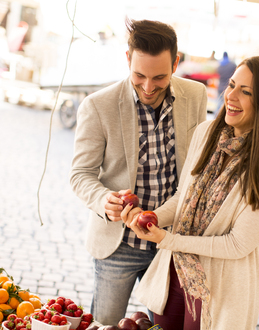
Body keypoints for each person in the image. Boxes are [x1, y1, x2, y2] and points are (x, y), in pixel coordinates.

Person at [121, 56, 259, 330]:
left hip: (220, 290)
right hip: (176, 275)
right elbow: (183, 198)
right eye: (231, 85)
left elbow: (237, 244)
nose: (231, 96)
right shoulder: (206, 134)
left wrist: (169, 240)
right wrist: (152, 217)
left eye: (246, 91)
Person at [69, 18, 208, 326]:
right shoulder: (98, 106)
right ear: (128, 59)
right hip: (118, 246)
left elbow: (195, 166)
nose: (148, 87)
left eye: (159, 77)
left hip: (171, 244)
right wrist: (105, 200)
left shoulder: (196, 95)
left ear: (176, 63)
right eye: (139, 75)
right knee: (105, 323)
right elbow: (80, 174)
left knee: (164, 326)